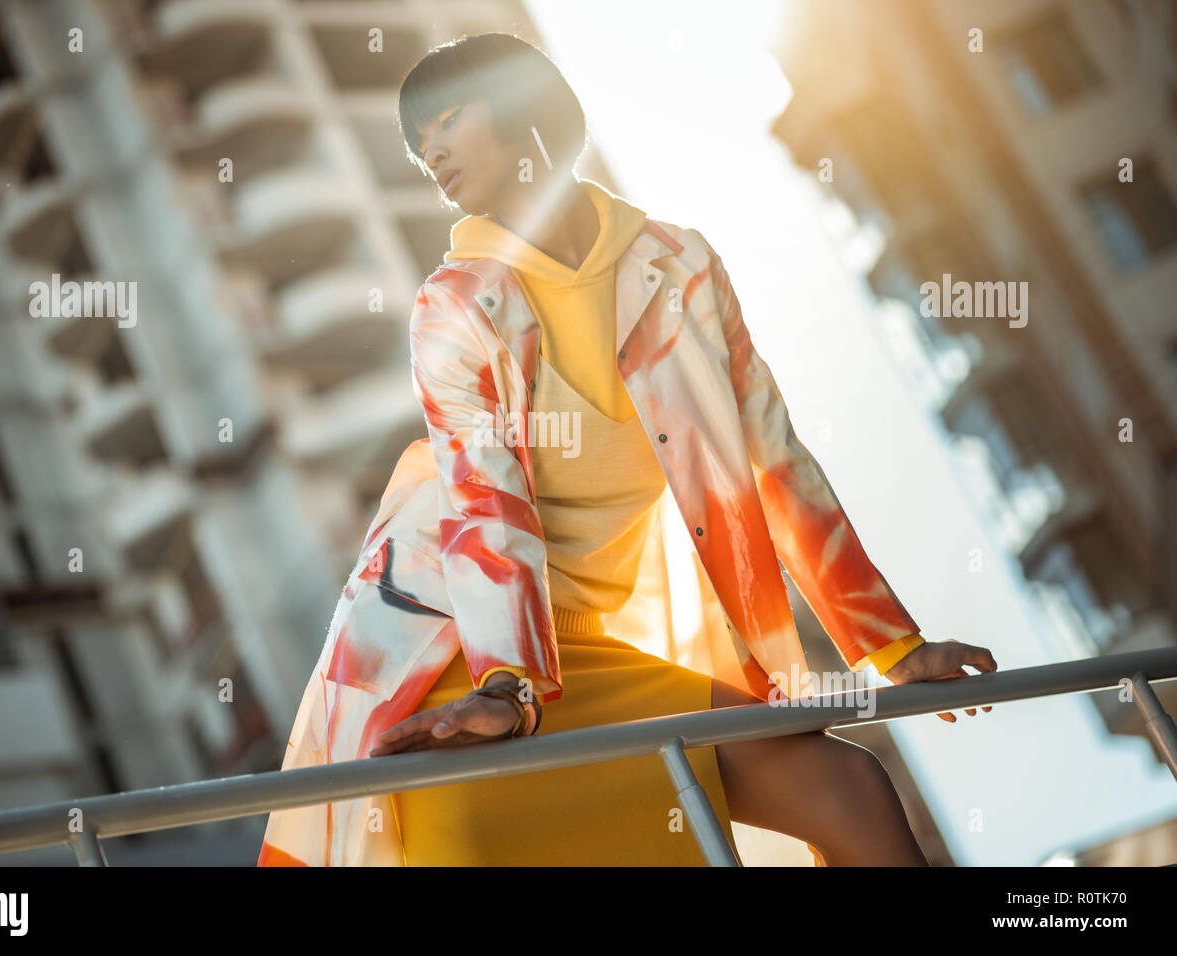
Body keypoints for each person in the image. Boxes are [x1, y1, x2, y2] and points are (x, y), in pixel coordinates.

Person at [260, 32, 997, 867]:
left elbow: (775, 462)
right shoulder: (453, 306)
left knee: (846, 788)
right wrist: (508, 688)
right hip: (455, 649)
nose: (429, 151)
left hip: (593, 653)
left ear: (522, 107)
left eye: (447, 120)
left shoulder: (682, 266)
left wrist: (894, 648)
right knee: (468, 843)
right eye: (415, 140)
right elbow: (483, 503)